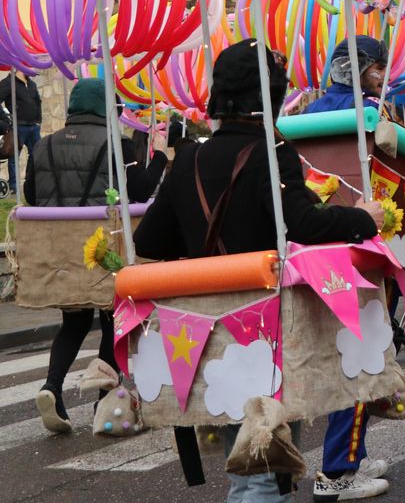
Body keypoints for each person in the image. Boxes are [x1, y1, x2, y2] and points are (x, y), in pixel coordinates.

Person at [133, 40, 383, 503]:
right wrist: (364, 217)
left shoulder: (189, 156)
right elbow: (304, 224)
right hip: (262, 324)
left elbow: (148, 241)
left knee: (254, 463)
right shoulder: (272, 152)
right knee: (261, 474)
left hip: (204, 327)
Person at [30, 79, 167, 434]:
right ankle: (106, 402)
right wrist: (161, 154)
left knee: (73, 324)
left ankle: (52, 387)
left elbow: (31, 193)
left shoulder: (43, 146)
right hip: (104, 248)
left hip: (62, 251)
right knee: (112, 321)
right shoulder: (116, 144)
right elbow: (140, 188)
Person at [302, 37, 396, 502]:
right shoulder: (372, 114)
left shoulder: (305, 114)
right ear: (361, 69)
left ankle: (349, 454)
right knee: (359, 358)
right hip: (358, 249)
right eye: (377, 66)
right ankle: (337, 470)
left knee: (331, 357)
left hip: (310, 251)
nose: (384, 73)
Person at [1, 70, 41, 195]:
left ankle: (31, 182)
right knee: (14, 158)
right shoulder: (8, 83)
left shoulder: (32, 84)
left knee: (37, 155)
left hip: (34, 126)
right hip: (18, 127)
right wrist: (6, 120)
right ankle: (13, 185)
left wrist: (39, 120)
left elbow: (37, 102)